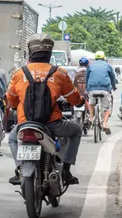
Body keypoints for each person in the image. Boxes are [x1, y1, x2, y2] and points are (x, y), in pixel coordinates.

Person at [6, 33, 83, 187]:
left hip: (25, 123)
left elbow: (11, 100)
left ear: (31, 52)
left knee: (13, 138)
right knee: (76, 130)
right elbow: (73, 98)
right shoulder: (59, 73)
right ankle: (66, 170)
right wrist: (80, 101)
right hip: (52, 124)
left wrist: (18, 107)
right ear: (49, 53)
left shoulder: (19, 73)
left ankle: (20, 168)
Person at [85, 51, 117, 135]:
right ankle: (105, 124)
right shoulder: (108, 66)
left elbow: (87, 78)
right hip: (105, 89)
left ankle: (91, 118)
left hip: (92, 89)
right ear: (104, 58)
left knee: (91, 103)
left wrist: (87, 89)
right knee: (106, 109)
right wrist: (113, 86)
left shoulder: (90, 66)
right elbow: (112, 78)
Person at [73, 57, 92, 124]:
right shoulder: (89, 70)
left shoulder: (75, 71)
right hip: (86, 93)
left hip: (77, 93)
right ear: (87, 64)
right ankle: (90, 115)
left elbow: (73, 82)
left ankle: (72, 115)